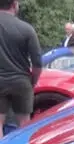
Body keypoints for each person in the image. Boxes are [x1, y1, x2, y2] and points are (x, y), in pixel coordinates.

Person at [0, 0, 42, 133]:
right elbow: (37, 63)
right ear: (14, 5)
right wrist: (32, 82)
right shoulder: (27, 29)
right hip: (21, 81)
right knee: (24, 124)